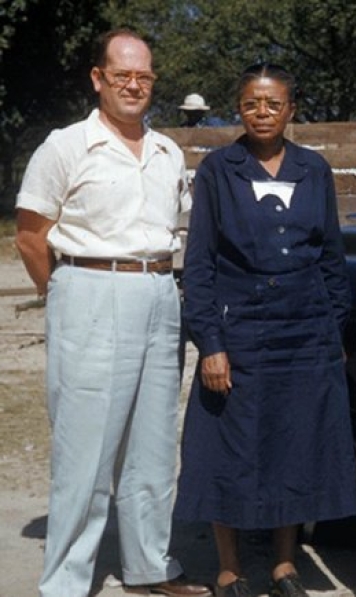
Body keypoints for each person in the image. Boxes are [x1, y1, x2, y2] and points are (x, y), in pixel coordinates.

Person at [14, 29, 211, 597]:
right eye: (121, 74)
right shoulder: (66, 145)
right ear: (98, 78)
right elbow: (31, 236)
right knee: (86, 446)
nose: (133, 84)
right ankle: (67, 581)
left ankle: (151, 565)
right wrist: (66, 295)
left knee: (152, 443)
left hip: (156, 292)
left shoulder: (167, 151)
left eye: (144, 76)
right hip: (89, 289)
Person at [173, 63, 356, 597]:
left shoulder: (313, 170)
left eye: (273, 104)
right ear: (239, 108)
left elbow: (329, 256)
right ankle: (229, 565)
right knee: (226, 446)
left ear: (290, 110)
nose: (262, 112)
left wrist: (332, 329)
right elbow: (201, 264)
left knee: (293, 445)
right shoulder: (217, 171)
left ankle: (283, 563)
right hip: (239, 334)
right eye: (252, 103)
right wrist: (211, 343)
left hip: (305, 336)